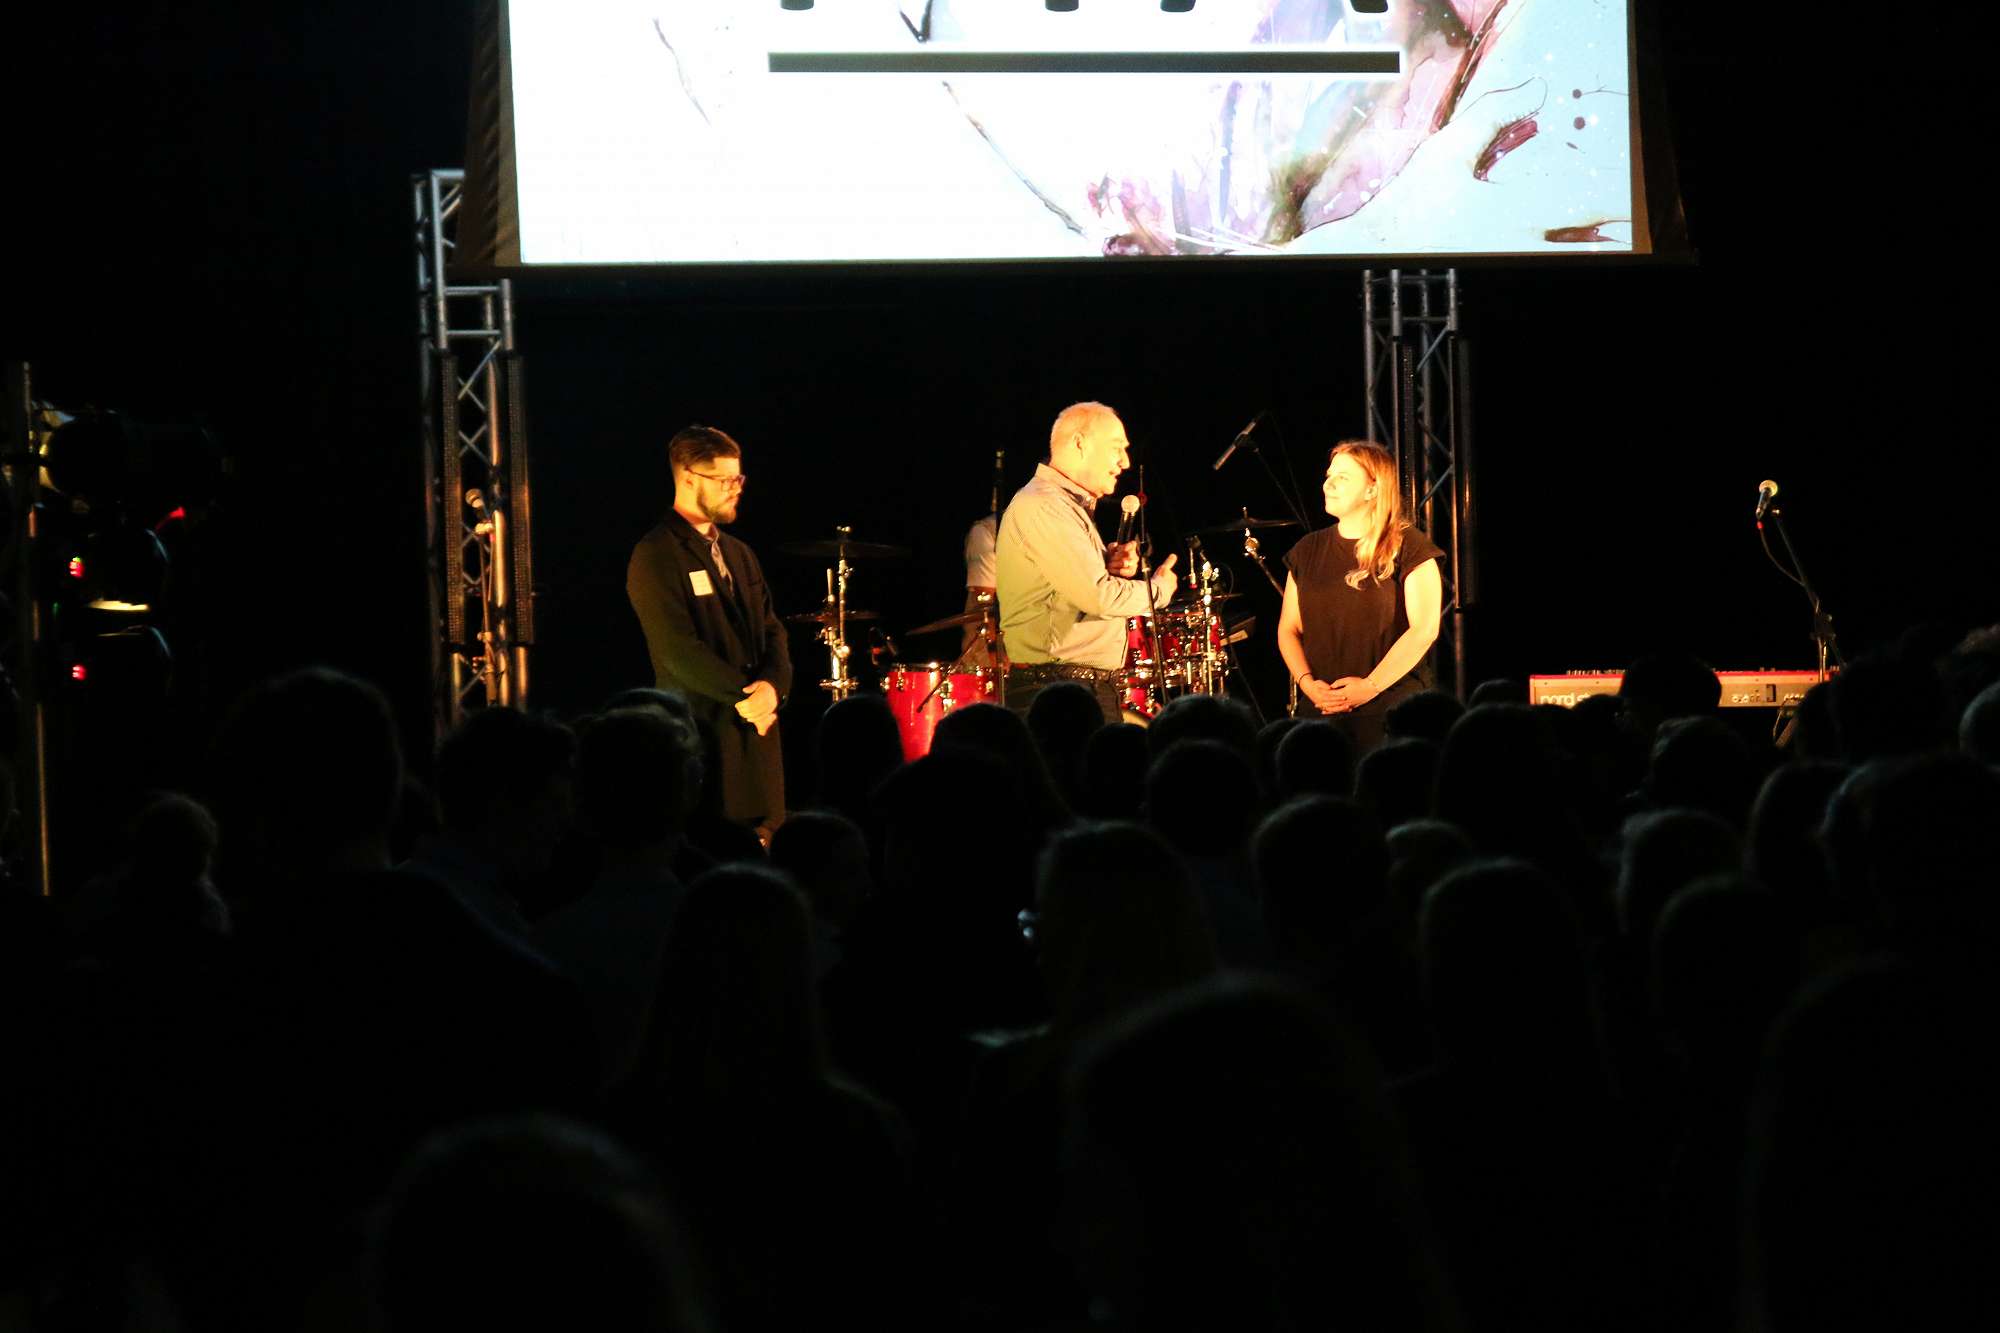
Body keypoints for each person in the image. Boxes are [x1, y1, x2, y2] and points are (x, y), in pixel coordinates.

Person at [626, 425, 790, 844]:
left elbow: (772, 630)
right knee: (714, 848)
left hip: (757, 736)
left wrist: (774, 687)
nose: (736, 489)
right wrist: (747, 696)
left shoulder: (739, 553)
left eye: (739, 479)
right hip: (705, 735)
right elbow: (677, 650)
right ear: (688, 478)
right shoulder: (656, 553)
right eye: (724, 480)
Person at [995, 402, 1177, 721]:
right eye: (1116, 447)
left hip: (1070, 688)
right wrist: (1159, 590)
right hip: (1059, 694)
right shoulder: (1046, 506)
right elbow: (1099, 597)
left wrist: (1105, 565)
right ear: (1079, 443)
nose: (1125, 462)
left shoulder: (1061, 505)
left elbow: (1062, 594)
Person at [1276, 440, 1443, 753]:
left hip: (1392, 714)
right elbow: (1289, 628)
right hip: (1322, 714)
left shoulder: (1409, 546)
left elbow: (1424, 629)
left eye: (1343, 477)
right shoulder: (1307, 550)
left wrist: (1370, 686)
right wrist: (1307, 684)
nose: (1328, 484)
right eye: (1329, 475)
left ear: (1372, 489)